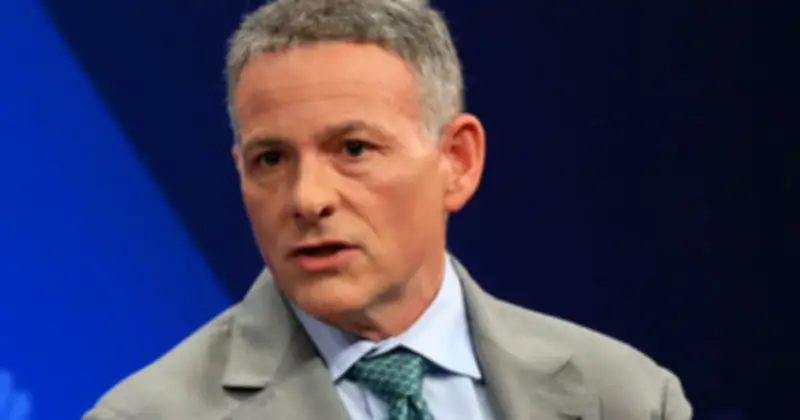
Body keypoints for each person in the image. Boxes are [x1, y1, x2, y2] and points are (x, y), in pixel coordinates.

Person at [83, 0, 693, 419]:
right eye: (271, 159)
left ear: (457, 160)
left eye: (353, 149)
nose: (307, 198)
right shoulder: (150, 414)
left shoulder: (626, 397)